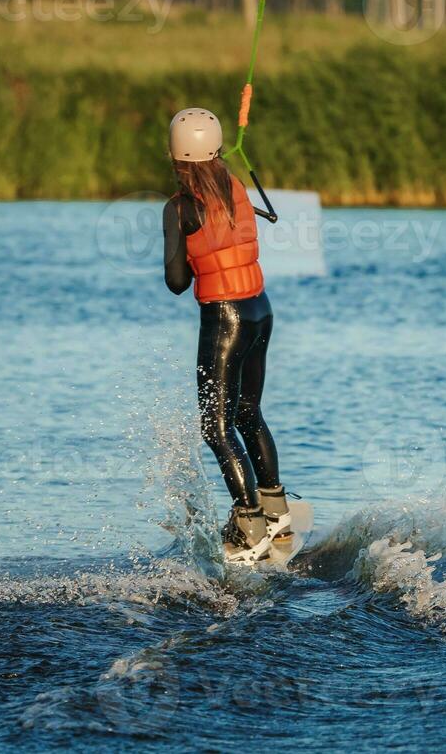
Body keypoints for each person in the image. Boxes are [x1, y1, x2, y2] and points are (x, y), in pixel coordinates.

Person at [161, 107, 290, 562]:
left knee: (215, 426)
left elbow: (176, 282)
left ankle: (248, 519)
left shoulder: (179, 207)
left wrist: (184, 246)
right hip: (260, 308)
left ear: (176, 155)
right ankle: (276, 509)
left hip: (225, 319)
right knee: (248, 410)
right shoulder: (236, 185)